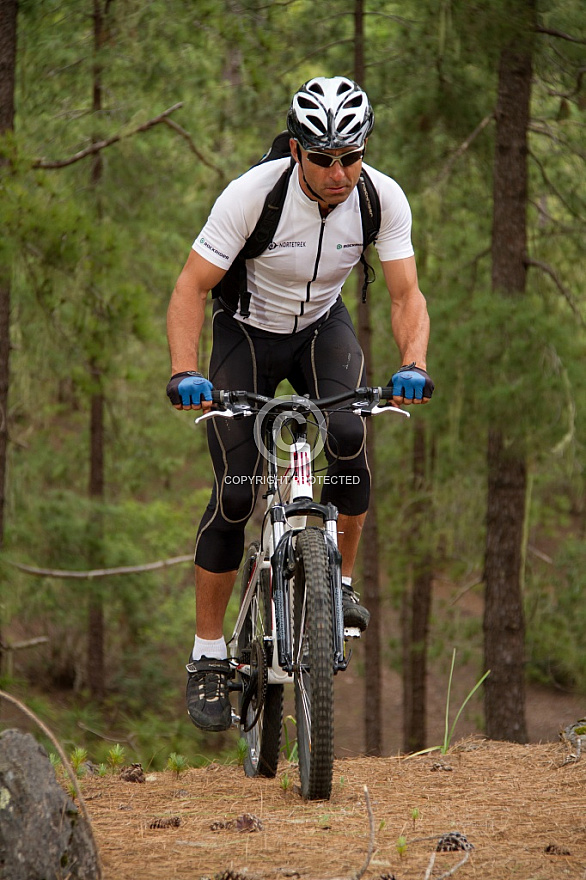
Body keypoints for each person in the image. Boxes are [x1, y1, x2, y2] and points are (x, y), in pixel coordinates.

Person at [166, 76, 433, 732]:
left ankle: (337, 585)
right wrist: (184, 371)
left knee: (346, 433)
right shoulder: (252, 197)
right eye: (323, 157)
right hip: (245, 332)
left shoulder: (379, 198)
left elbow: (405, 296)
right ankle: (207, 657)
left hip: (320, 328)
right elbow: (190, 289)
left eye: (352, 155)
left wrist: (413, 364)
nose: (339, 172)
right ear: (295, 150)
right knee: (235, 492)